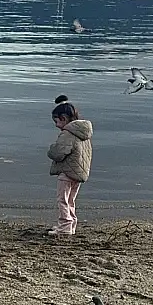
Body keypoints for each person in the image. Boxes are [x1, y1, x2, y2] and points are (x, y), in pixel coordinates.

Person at [46, 95, 93, 236]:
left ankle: (65, 226)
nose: (56, 125)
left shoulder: (67, 133)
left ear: (64, 118)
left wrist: (51, 149)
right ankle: (71, 225)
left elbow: (58, 153)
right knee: (70, 200)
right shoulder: (83, 133)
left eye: (56, 121)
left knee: (62, 200)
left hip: (67, 172)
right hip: (78, 172)